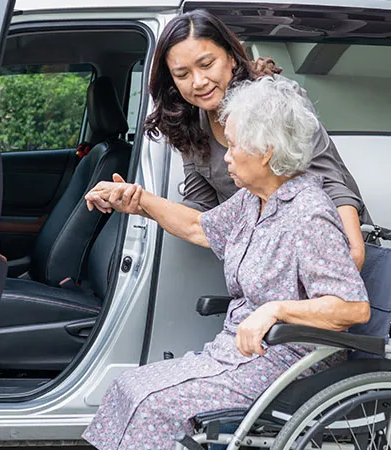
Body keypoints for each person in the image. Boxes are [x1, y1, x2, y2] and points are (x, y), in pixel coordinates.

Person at [82, 76, 370, 450]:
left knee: (155, 406)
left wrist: (275, 310)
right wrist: (135, 200)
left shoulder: (309, 214)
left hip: (287, 360)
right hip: (237, 351)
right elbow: (200, 226)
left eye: (233, 146)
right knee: (129, 386)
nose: (226, 156)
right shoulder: (255, 199)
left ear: (266, 150)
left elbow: (353, 307)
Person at [139, 9, 369, 270]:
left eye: (206, 64)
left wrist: (353, 252)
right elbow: (201, 209)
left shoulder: (274, 100)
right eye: (183, 75)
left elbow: (330, 184)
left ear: (231, 58)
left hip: (324, 251)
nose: (199, 82)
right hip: (270, 264)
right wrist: (140, 202)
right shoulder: (190, 124)